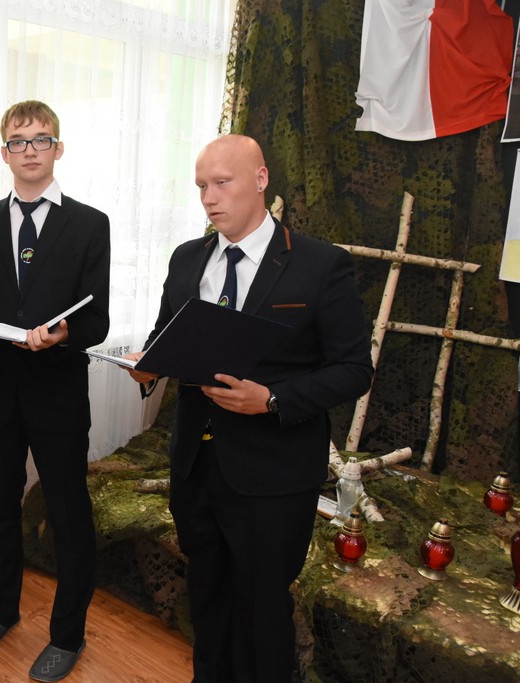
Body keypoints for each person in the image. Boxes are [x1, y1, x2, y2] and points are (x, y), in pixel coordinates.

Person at [125, 134, 373, 681]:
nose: (209, 198)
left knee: (262, 610)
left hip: (273, 473)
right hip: (195, 465)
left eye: (222, 183)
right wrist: (148, 365)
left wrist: (273, 400)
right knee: (206, 594)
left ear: (260, 180)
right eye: (201, 186)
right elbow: (165, 338)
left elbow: (355, 369)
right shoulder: (187, 259)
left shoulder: (320, 264)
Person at [0, 100, 110, 682]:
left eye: (41, 139)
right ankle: (1, 612)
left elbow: (97, 321)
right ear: (5, 153)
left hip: (58, 394)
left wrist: (63, 335)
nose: (30, 149)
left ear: (58, 149)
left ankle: (67, 635)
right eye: (18, 141)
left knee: (68, 515)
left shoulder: (90, 224)